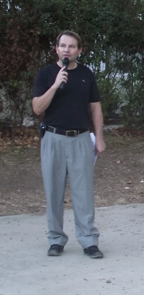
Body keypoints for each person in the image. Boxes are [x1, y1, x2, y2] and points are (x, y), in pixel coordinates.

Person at [32, 30, 106, 259]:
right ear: (56, 49)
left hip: (81, 139)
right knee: (53, 191)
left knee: (83, 192)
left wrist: (99, 138)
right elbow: (37, 108)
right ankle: (55, 239)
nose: (67, 50)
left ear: (79, 51)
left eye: (72, 46)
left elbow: (95, 107)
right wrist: (55, 86)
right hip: (53, 139)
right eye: (63, 46)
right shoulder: (45, 75)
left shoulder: (86, 75)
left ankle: (88, 240)